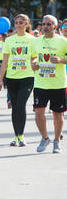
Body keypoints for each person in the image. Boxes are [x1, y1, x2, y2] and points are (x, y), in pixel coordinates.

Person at [0, 14, 35, 146]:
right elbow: (5, 62)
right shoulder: (9, 41)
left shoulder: (32, 40)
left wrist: (34, 63)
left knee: (20, 104)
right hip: (12, 77)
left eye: (21, 22)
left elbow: (34, 58)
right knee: (14, 107)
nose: (18, 25)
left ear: (27, 24)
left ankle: (21, 135)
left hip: (27, 77)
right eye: (16, 22)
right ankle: (16, 136)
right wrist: (0, 80)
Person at [30, 15, 67, 154]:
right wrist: (33, 64)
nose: (45, 26)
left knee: (58, 114)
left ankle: (56, 141)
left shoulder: (63, 41)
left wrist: (61, 60)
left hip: (58, 84)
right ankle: (45, 138)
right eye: (44, 24)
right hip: (40, 83)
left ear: (55, 26)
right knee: (39, 114)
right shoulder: (36, 41)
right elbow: (33, 57)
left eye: (49, 24)